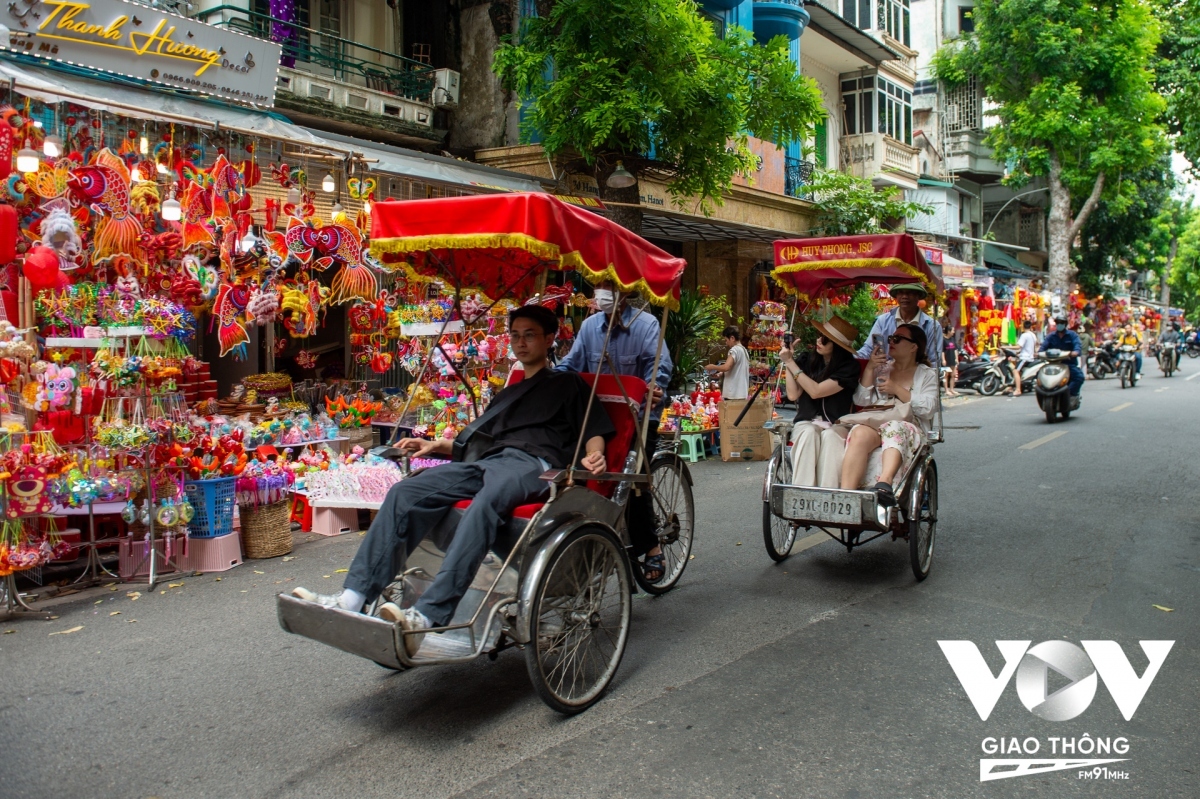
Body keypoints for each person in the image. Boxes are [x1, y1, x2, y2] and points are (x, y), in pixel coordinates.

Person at [292, 305, 615, 656]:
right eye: (516, 335)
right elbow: (478, 441)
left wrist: (593, 453)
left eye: (530, 335)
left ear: (550, 339)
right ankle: (353, 596)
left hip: (533, 465)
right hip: (490, 461)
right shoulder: (509, 392)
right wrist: (435, 445)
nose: (521, 343)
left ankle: (429, 615)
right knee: (405, 491)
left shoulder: (569, 384)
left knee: (487, 501)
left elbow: (593, 429)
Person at [556, 279, 672, 581]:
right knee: (574, 470)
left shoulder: (646, 325)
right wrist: (547, 378)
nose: (601, 293)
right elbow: (571, 364)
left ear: (625, 290)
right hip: (597, 417)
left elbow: (658, 368)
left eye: (608, 286)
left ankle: (651, 548)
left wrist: (654, 388)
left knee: (631, 480)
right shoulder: (590, 327)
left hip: (639, 416)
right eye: (599, 286)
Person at [841, 323, 940, 507]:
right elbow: (861, 400)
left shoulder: (927, 374)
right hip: (878, 421)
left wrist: (897, 390)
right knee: (859, 432)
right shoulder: (883, 368)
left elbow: (928, 408)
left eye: (897, 339)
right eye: (890, 339)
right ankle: (847, 497)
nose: (891, 342)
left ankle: (884, 483)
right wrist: (870, 368)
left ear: (913, 347)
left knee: (894, 427)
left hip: (909, 425)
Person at [777, 316, 861, 486]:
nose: (819, 341)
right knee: (808, 433)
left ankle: (828, 493)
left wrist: (791, 364)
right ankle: (802, 491)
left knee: (830, 437)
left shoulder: (849, 368)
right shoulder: (808, 360)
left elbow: (816, 392)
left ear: (837, 346)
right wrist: (789, 362)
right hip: (807, 421)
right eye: (819, 335)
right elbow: (793, 395)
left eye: (825, 339)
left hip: (837, 423)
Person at [856, 283, 943, 369]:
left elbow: (934, 362)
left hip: (918, 380)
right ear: (896, 296)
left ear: (918, 296)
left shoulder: (932, 326)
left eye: (910, 293)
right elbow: (868, 350)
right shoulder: (883, 322)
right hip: (884, 378)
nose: (905, 296)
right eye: (901, 292)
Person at [1040, 316, 1084, 398]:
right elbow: (1043, 347)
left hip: (1068, 364)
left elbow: (1077, 345)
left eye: (1062, 323)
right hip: (1053, 364)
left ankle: (1070, 395)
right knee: (1039, 376)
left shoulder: (1072, 335)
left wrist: (1075, 352)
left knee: (1079, 377)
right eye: (1058, 323)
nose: (1059, 325)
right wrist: (1038, 353)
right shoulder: (1051, 336)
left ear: (1065, 324)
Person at [706, 326, 750, 400]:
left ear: (732, 338)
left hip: (733, 394)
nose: (726, 343)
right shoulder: (744, 350)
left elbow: (726, 367)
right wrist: (721, 373)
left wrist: (713, 366)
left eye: (726, 340)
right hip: (742, 393)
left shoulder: (734, 350)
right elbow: (735, 368)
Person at [1012, 319, 1039, 397]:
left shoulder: (1024, 335)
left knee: (1015, 371)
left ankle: (1018, 390)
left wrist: (1006, 346)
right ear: (1031, 327)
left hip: (1025, 358)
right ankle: (1014, 386)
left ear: (1023, 327)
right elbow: (1036, 345)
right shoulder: (1033, 335)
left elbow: (1018, 346)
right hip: (1030, 357)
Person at [941, 322, 960, 397]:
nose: (953, 332)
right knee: (946, 375)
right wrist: (943, 360)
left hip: (952, 358)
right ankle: (946, 390)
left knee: (952, 375)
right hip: (946, 359)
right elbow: (942, 351)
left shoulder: (952, 339)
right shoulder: (943, 340)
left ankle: (952, 389)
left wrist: (956, 358)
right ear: (948, 331)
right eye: (952, 331)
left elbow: (955, 349)